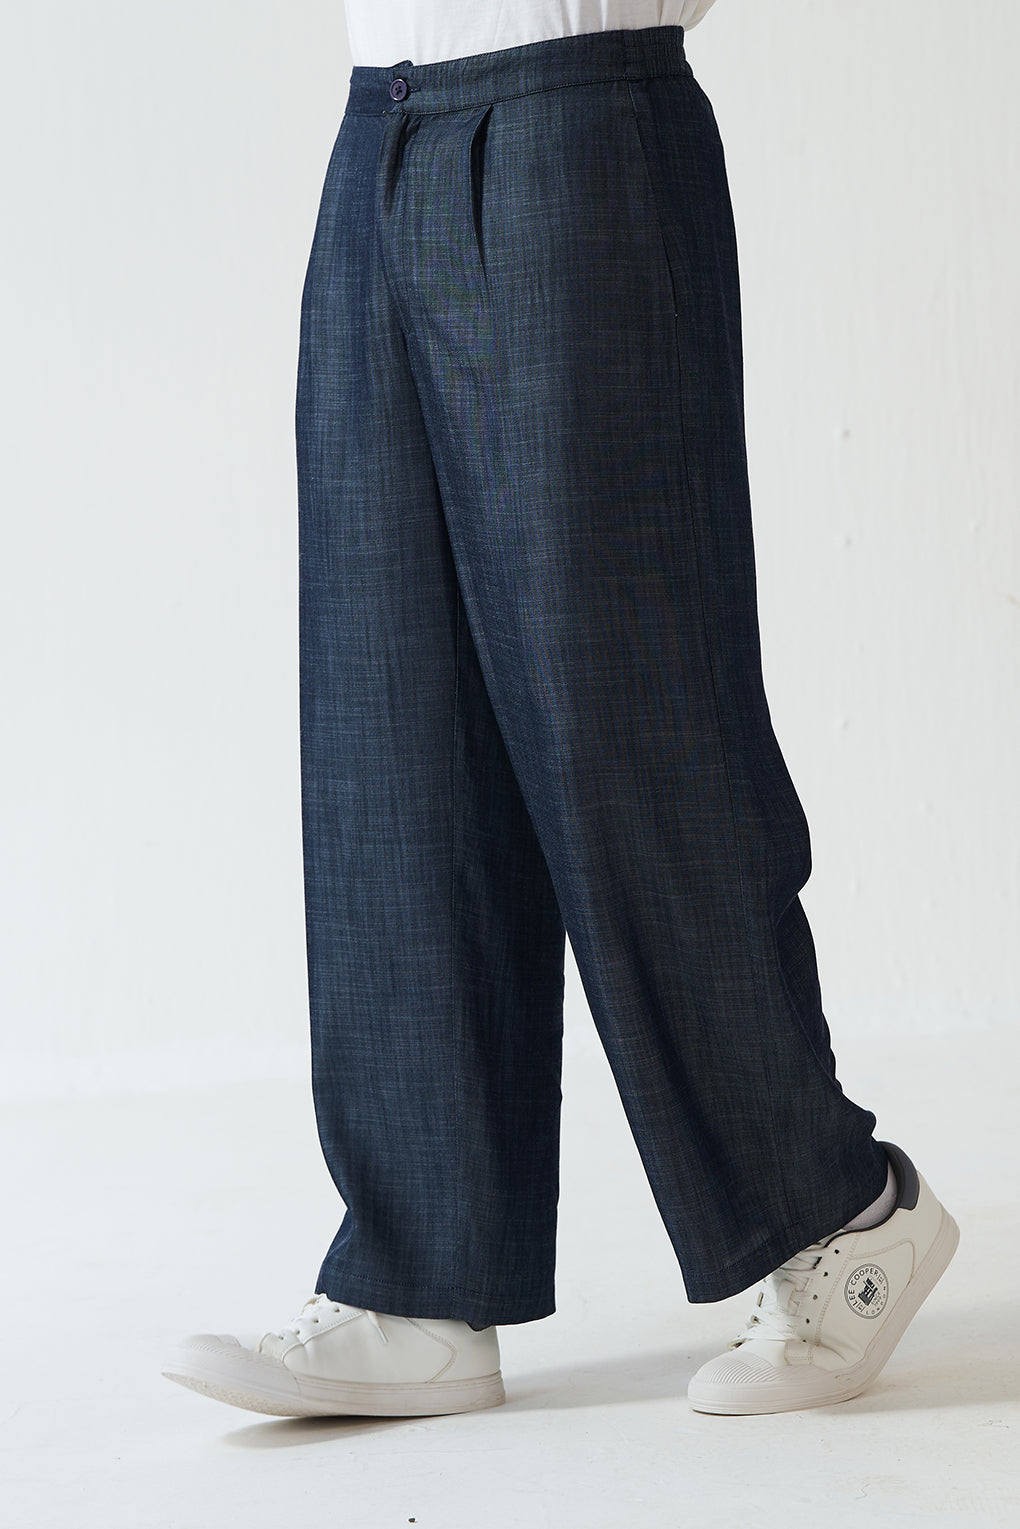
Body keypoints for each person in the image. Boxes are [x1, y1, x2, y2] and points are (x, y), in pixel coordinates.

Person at [162, 3, 959, 1420]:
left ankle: (843, 1223)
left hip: (577, 109)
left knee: (628, 711)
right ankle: (424, 1278)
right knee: (390, 719)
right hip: (381, 117)